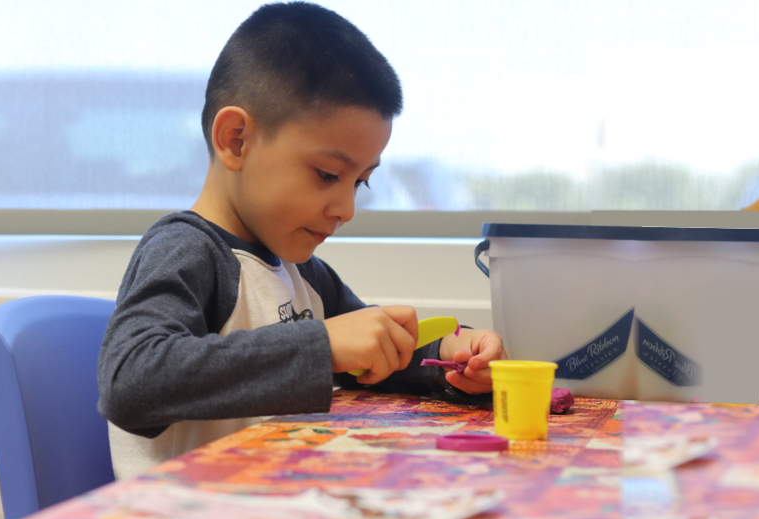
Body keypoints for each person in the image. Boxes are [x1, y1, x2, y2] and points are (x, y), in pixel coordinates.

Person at [97, 2, 505, 480]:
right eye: (328, 173)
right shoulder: (187, 251)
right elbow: (131, 381)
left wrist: (450, 361)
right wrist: (323, 347)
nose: (346, 209)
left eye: (360, 182)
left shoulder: (303, 272)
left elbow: (372, 359)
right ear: (235, 140)